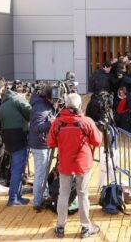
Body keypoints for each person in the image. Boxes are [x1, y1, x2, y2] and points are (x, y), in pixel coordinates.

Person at [48, 93, 102, 238]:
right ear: (79, 105)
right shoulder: (86, 121)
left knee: (63, 195)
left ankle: (60, 226)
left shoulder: (57, 122)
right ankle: (85, 227)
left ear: (65, 105)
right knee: (83, 195)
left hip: (65, 163)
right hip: (82, 163)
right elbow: (97, 141)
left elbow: (51, 143)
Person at [0, 83, 32, 206]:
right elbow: (31, 114)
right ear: (22, 92)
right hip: (19, 136)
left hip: (7, 136)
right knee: (18, 169)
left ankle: (17, 193)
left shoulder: (5, 100)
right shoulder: (18, 99)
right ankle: (13, 198)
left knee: (15, 167)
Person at [28, 86, 55, 211]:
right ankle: (37, 201)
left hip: (44, 143)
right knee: (40, 175)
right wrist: (51, 123)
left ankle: (44, 195)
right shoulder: (40, 107)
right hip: (40, 145)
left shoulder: (44, 104)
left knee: (43, 173)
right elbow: (36, 127)